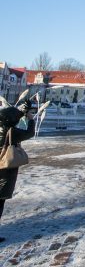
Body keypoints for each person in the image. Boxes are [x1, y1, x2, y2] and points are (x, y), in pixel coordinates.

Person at [0, 102, 35, 242]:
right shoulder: (12, 132)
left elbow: (9, 116)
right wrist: (30, 119)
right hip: (4, 169)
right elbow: (30, 133)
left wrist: (22, 111)